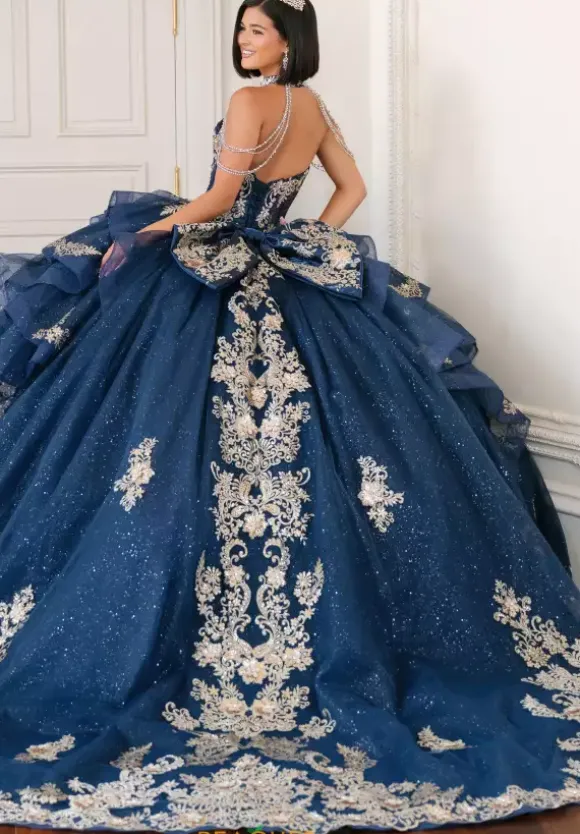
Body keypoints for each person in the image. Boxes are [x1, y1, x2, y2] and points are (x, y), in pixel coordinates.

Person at [0, 0, 577, 830]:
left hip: (212, 274)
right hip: (289, 272)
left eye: (258, 31)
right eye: (242, 29)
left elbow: (219, 198)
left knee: (156, 437)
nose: (245, 42)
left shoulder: (251, 101)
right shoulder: (313, 107)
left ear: (288, 40)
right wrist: (300, 242)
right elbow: (353, 190)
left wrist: (150, 231)